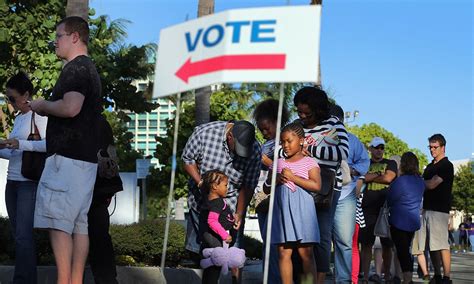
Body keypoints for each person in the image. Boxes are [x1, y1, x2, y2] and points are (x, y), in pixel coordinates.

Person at [29, 16, 103, 284]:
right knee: (78, 225)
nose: (55, 43)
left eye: (58, 37)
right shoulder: (90, 69)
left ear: (74, 37)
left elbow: (70, 108)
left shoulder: (75, 69)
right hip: (84, 161)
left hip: (66, 159)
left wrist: (43, 105)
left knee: (58, 223)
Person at [181, 120, 261, 283]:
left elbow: (249, 185)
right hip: (202, 202)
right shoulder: (204, 133)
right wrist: (201, 182)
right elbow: (187, 159)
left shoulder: (255, 150)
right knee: (210, 250)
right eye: (238, 148)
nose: (239, 154)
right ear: (230, 136)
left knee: (236, 254)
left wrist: (239, 213)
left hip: (232, 203)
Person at [293, 86, 349, 284]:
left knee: (322, 235)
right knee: (299, 236)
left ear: (318, 110)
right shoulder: (295, 125)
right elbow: (283, 150)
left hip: (327, 188)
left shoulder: (333, 124)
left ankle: (319, 279)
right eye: (299, 111)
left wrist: (310, 149)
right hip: (298, 186)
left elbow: (342, 153)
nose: (302, 116)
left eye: (306, 112)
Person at [0, 72, 47, 284]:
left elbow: (48, 145)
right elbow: (15, 153)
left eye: (12, 98)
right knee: (18, 235)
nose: (10, 102)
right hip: (12, 182)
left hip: (29, 183)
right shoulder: (19, 119)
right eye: (7, 98)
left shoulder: (41, 117)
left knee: (23, 236)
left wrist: (20, 143)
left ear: (26, 94)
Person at [265, 122, 320, 284]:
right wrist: (275, 180)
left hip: (303, 212)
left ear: (302, 141)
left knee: (306, 254)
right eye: (283, 142)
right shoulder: (277, 163)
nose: (286, 145)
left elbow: (317, 185)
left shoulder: (310, 162)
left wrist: (293, 178)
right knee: (284, 253)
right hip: (282, 212)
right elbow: (266, 188)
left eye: (289, 141)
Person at [330, 104, 370, 283]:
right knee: (323, 242)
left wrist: (351, 170)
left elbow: (364, 163)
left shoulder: (352, 140)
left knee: (346, 243)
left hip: (346, 195)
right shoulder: (320, 137)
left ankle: (346, 280)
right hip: (324, 195)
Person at [253, 98, 289, 284]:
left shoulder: (286, 141)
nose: (264, 132)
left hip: (278, 197)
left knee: (276, 244)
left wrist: (265, 160)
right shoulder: (265, 144)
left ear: (278, 121)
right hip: (261, 196)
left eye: (267, 128)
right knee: (267, 243)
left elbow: (287, 168)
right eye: (261, 129)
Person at [88, 115, 123, 284]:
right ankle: (106, 278)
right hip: (102, 186)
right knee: (100, 237)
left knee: (96, 237)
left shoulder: (83, 122)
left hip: (95, 187)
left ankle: (105, 278)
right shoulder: (100, 122)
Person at [359, 136, 397, 283]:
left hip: (385, 210)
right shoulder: (364, 163)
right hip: (367, 209)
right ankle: (367, 277)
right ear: (370, 149)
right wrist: (378, 174)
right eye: (376, 147)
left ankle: (386, 277)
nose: (380, 150)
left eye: (382, 147)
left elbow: (389, 178)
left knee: (387, 245)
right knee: (366, 245)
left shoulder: (390, 163)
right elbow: (361, 177)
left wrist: (370, 177)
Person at [419, 134, 454, 284]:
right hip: (427, 209)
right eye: (430, 147)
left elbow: (432, 184)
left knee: (441, 244)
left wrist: (419, 183)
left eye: (435, 147)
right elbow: (426, 183)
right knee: (431, 245)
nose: (432, 150)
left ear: (443, 147)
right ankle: (438, 275)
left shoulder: (446, 165)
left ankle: (447, 276)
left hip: (439, 210)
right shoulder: (430, 166)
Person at [387, 152, 425, 284]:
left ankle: (407, 279)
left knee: (402, 252)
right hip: (413, 221)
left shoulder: (400, 181)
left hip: (399, 221)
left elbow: (390, 199)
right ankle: (407, 277)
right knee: (406, 250)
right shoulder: (420, 181)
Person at [199, 169, 239, 283]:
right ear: (215, 187)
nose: (227, 188)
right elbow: (212, 221)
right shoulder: (218, 202)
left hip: (210, 236)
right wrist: (224, 235)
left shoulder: (208, 200)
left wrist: (232, 219)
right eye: (225, 185)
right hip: (215, 238)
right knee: (216, 263)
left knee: (211, 266)